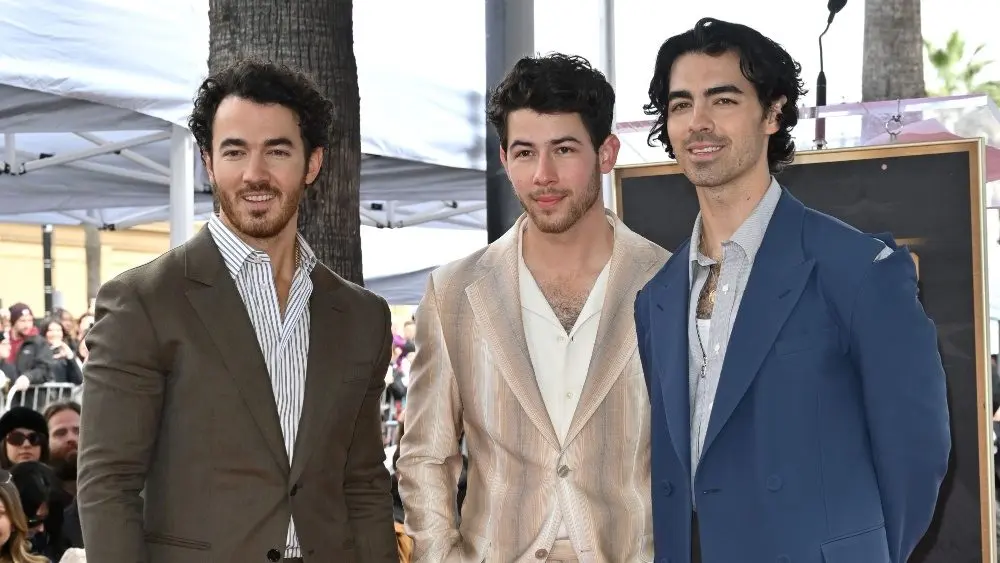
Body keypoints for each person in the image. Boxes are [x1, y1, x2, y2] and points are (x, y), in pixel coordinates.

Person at [634, 18, 951, 563]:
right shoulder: (655, 297)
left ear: (773, 113)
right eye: (681, 104)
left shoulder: (858, 270)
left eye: (723, 99)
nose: (698, 122)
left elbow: (917, 453)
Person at [77, 59, 397, 563]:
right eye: (234, 151)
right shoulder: (143, 302)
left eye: (277, 150)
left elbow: (363, 483)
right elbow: (108, 485)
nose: (254, 173)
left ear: (312, 163)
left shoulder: (362, 317)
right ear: (209, 162)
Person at [397, 53, 668, 562]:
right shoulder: (454, 292)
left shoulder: (667, 283)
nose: (543, 175)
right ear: (505, 159)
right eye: (525, 152)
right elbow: (425, 455)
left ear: (606, 153)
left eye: (563, 149)